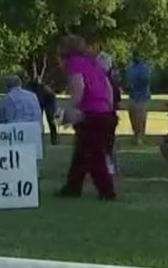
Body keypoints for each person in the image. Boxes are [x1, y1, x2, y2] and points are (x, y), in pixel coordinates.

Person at [58, 36, 116, 200]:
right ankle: (72, 187)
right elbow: (108, 87)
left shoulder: (74, 63)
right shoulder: (93, 63)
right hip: (105, 112)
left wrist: (72, 108)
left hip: (92, 113)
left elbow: (79, 87)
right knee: (81, 152)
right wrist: (109, 107)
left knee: (93, 155)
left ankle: (106, 191)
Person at [97, 52, 121, 175]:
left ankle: (108, 165)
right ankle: (112, 165)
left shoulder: (102, 80)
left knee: (104, 141)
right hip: (110, 114)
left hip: (104, 114)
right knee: (110, 141)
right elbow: (118, 101)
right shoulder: (113, 80)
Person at [124, 53, 151, 144]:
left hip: (141, 96)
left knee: (139, 116)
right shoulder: (131, 68)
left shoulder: (143, 68)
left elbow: (145, 81)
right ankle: (137, 135)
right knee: (135, 116)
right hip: (134, 95)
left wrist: (133, 86)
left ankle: (140, 136)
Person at [27, 79, 59, 145]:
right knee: (46, 118)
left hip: (48, 98)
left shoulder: (33, 89)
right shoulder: (33, 89)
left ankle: (54, 138)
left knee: (50, 118)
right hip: (42, 97)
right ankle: (52, 138)